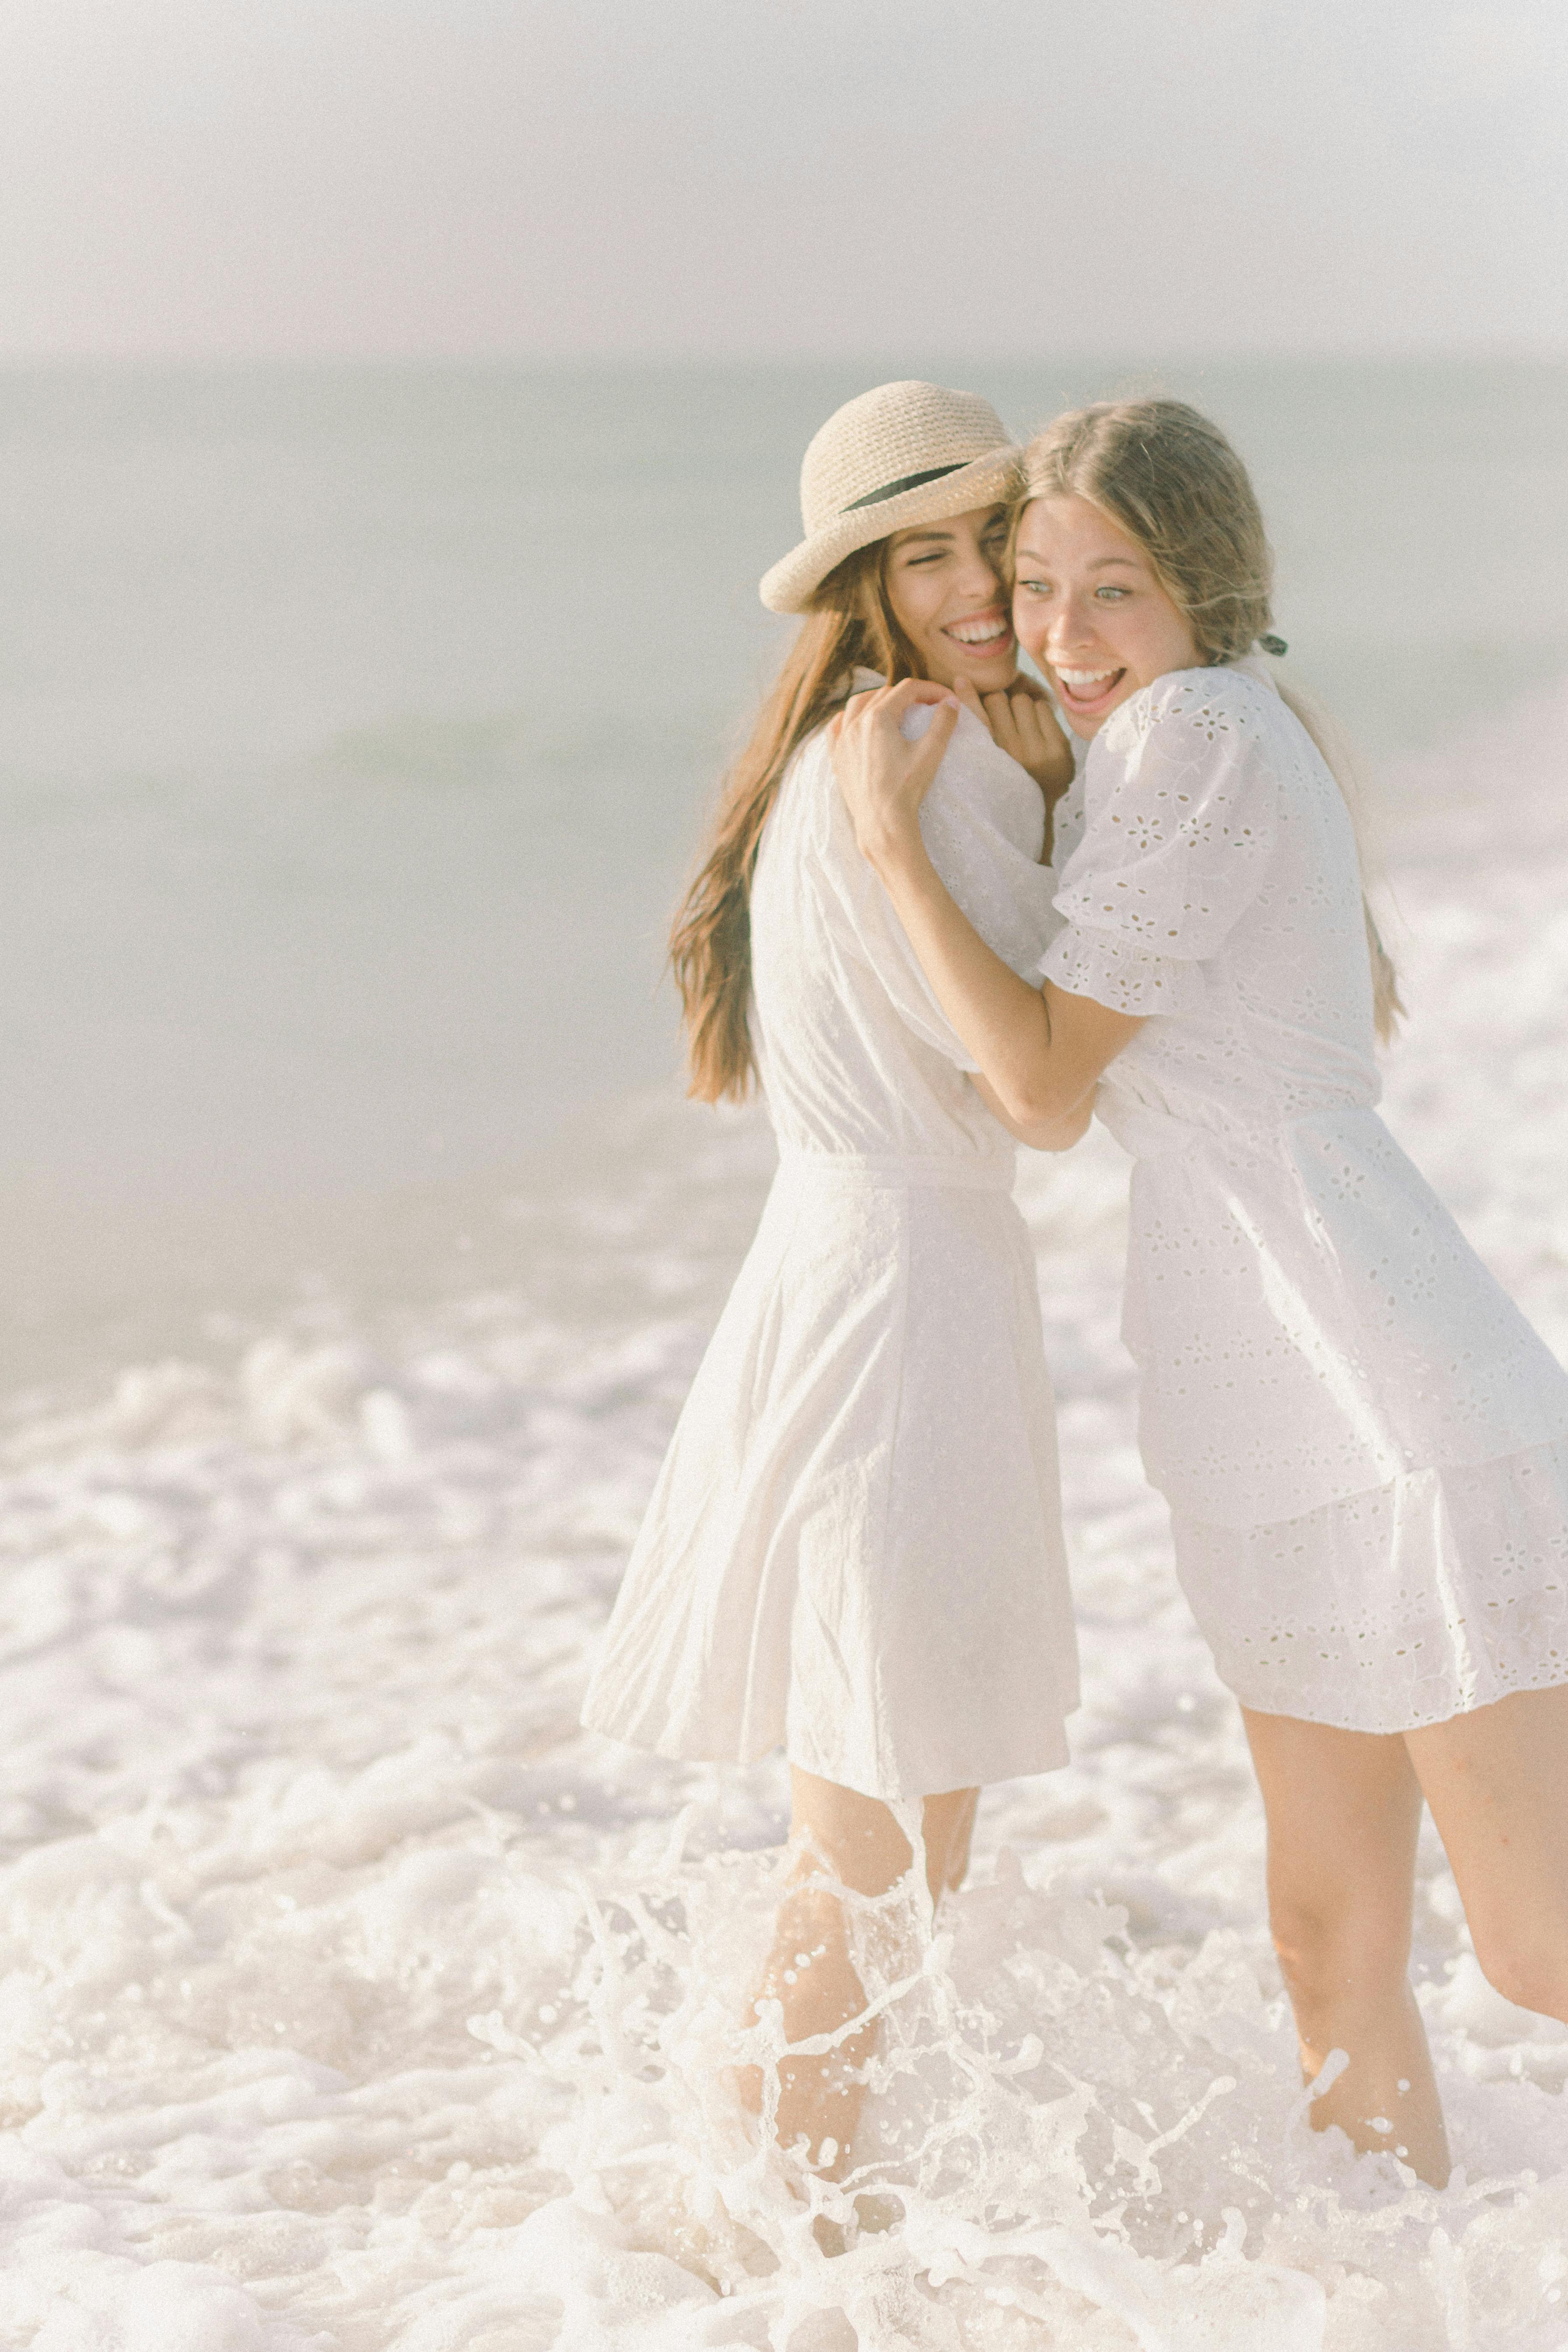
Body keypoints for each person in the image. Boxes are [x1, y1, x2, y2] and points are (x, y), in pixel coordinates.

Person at [830, 396, 1568, 2190]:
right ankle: (1407, 2291)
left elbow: (1038, 1084)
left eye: (1117, 590)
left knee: (1537, 1944)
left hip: (1382, 1386)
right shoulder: (1168, 744)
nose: (1070, 636)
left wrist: (883, 847)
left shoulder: (1197, 732)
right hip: (1260, 1412)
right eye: (1038, 587)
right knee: (1321, 1938)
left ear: (1205, 592)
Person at [580, 380, 1082, 2176]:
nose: (966, 584)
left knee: (877, 1837)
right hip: (900, 1301)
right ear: (862, 581)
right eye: (922, 551)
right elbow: (1046, 1076)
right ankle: (776, 2233)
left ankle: (783, 2212)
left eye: (987, 539)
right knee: (872, 1849)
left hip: (867, 1273)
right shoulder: (928, 765)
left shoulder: (857, 750)